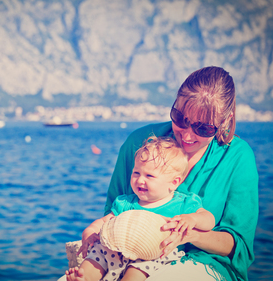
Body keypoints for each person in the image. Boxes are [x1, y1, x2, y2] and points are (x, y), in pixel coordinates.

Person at [104, 66, 258, 281]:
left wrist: (190, 234)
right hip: (129, 257)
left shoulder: (238, 157)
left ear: (225, 120)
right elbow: (111, 213)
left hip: (207, 264)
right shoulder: (138, 143)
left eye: (203, 128)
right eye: (180, 118)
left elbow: (236, 245)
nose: (187, 135)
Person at [65, 136, 216, 281]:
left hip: (154, 254)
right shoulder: (126, 203)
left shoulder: (183, 204)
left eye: (149, 176)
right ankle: (85, 276)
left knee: (141, 267)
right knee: (99, 251)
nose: (140, 180)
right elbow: (103, 221)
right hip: (119, 250)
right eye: (136, 173)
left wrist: (193, 219)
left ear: (174, 182)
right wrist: (89, 233)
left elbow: (209, 220)